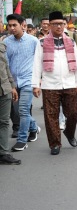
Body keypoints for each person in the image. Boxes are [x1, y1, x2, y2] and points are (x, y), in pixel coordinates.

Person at [32, 11, 77, 155]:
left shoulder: (70, 41)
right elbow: (37, 64)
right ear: (49, 26)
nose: (59, 27)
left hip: (69, 83)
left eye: (61, 24)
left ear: (64, 25)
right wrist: (36, 84)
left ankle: (69, 132)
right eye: (55, 24)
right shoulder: (41, 43)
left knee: (74, 112)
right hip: (49, 84)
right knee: (51, 115)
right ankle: (55, 144)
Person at [4, 14, 41, 152]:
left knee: (23, 110)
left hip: (28, 81)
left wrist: (38, 82)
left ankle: (22, 140)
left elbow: (39, 62)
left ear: (22, 25)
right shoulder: (6, 42)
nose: (12, 28)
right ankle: (33, 128)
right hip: (13, 83)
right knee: (18, 111)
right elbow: (5, 64)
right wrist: (9, 83)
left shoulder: (33, 41)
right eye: (10, 25)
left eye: (15, 25)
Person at [0, 40, 20, 164]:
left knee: (4, 122)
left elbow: (6, 66)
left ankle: (3, 153)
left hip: (4, 89)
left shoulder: (1, 45)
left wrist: (12, 86)